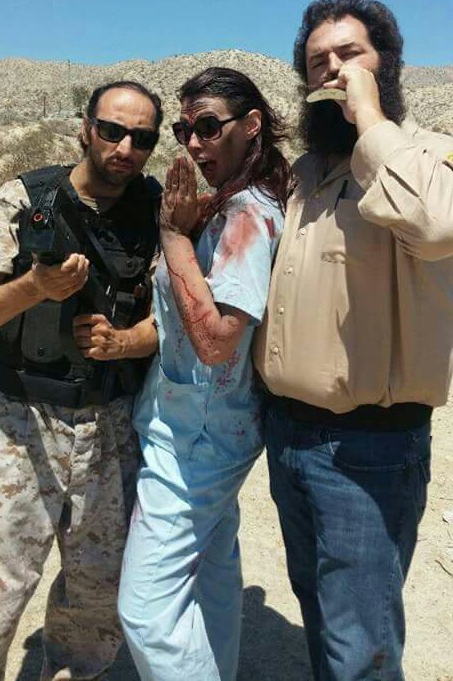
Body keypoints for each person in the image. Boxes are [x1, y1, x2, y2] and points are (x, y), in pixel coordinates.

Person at [254, 1, 453, 679]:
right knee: (319, 610)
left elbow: (434, 225)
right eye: (318, 62)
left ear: (386, 63)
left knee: (360, 644)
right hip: (288, 434)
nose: (333, 71)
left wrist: (368, 114)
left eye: (350, 55)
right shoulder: (308, 174)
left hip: (370, 449)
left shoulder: (429, 157)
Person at [0, 80, 162, 680]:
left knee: (97, 595)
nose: (125, 148)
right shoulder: (25, 198)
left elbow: (178, 318)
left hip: (110, 425)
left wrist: (127, 342)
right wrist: (34, 288)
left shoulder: (154, 210)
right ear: (86, 128)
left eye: (142, 138)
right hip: (18, 422)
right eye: (112, 130)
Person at [117, 67, 289, 681]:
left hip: (199, 438)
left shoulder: (245, 214)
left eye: (209, 126)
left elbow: (216, 342)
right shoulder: (229, 203)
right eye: (185, 129)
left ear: (251, 126)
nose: (193, 143)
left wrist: (173, 237)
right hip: (206, 426)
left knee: (145, 612)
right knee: (212, 570)